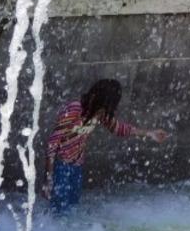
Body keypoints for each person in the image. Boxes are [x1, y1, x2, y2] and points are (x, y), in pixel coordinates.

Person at [42, 78, 170, 215]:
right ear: (95, 98)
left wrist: (149, 133)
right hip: (61, 167)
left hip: (77, 166)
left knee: (72, 208)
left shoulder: (99, 113)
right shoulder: (74, 109)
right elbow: (52, 143)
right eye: (104, 108)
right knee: (60, 211)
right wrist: (49, 178)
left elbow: (119, 129)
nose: (104, 113)